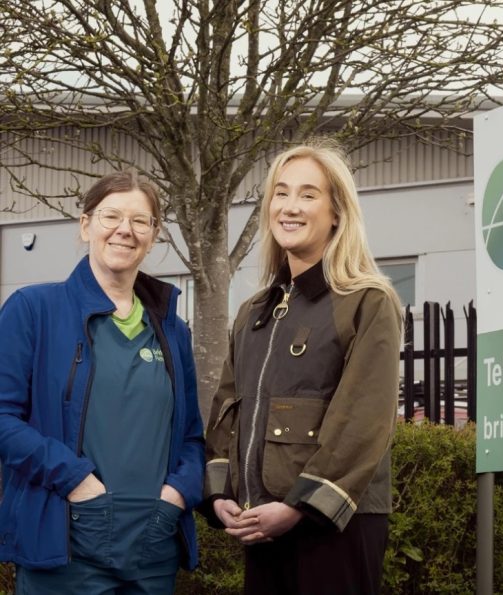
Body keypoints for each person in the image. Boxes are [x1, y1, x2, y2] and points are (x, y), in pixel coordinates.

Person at [201, 139, 402, 594]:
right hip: (262, 524)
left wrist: (298, 507)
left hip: (335, 526)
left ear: (336, 213)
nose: (290, 207)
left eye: (308, 195)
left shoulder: (368, 301)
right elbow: (225, 411)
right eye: (281, 192)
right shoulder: (253, 311)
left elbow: (363, 421)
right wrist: (219, 495)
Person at [0, 171, 205, 594]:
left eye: (140, 221)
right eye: (111, 216)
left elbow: (191, 438)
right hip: (66, 549)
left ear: (153, 234)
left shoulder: (171, 328)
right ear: (85, 224)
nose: (124, 231)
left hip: (154, 547)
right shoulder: (34, 311)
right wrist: (76, 481)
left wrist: (177, 496)